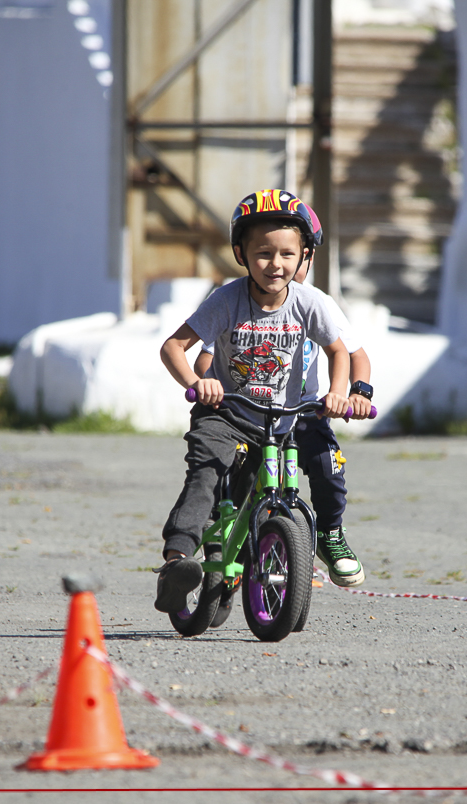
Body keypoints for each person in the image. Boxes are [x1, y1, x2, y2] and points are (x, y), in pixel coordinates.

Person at [155, 189, 372, 613]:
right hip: (230, 412)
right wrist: (198, 383)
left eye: (289, 255)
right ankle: (177, 562)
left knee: (327, 464)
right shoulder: (227, 300)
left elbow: (344, 352)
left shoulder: (314, 303)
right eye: (263, 253)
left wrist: (343, 393)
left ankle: (327, 533)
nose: (277, 265)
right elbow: (178, 348)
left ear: (305, 255)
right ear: (241, 253)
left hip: (296, 412)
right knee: (207, 473)